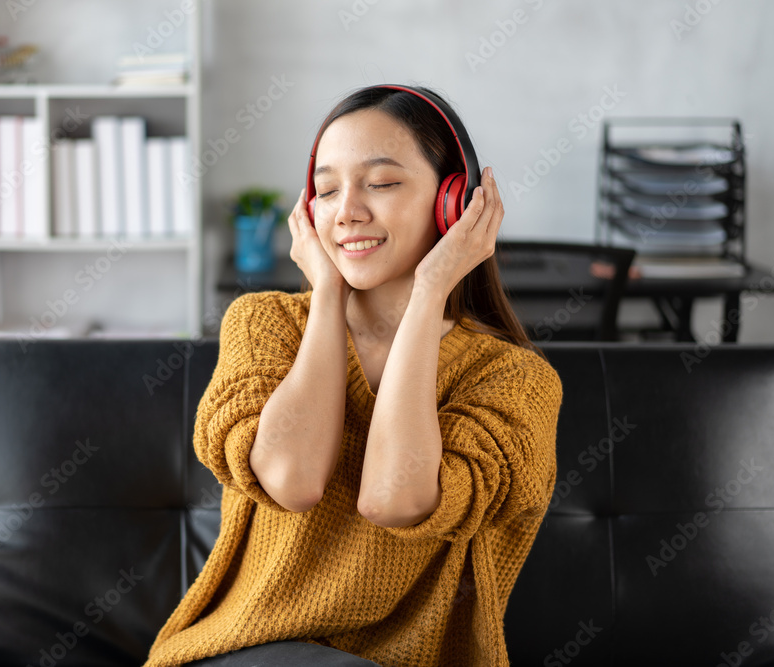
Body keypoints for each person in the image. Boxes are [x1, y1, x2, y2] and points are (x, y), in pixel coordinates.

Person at [143, 84, 563, 667]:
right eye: (327, 190)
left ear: (454, 203)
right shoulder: (264, 324)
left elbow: (395, 500)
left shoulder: (515, 379)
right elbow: (292, 481)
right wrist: (327, 297)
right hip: (246, 651)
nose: (347, 211)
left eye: (382, 183)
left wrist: (428, 296)